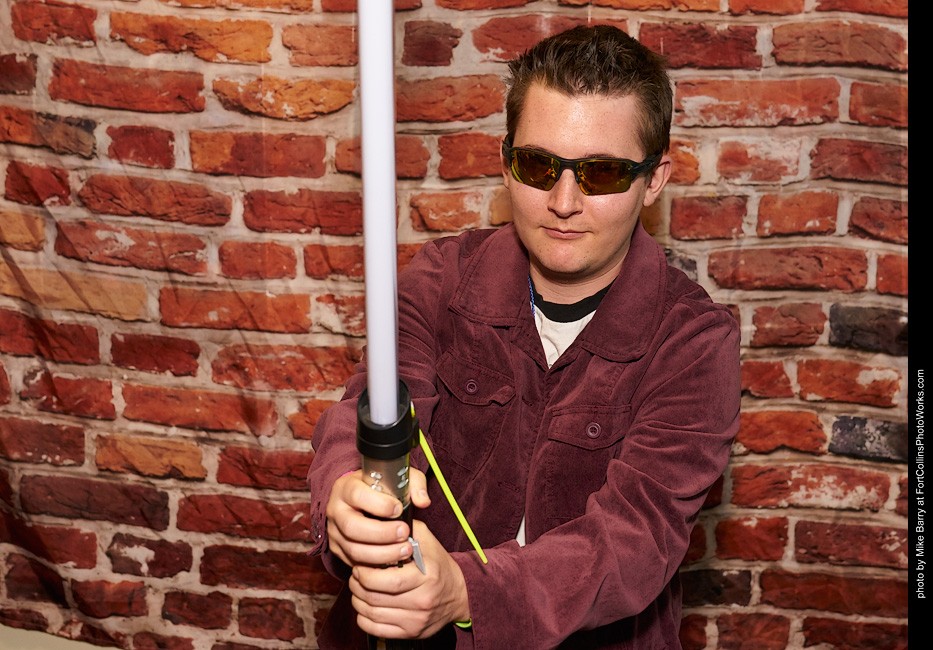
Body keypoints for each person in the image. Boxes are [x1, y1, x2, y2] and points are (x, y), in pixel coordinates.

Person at [307, 24, 741, 649]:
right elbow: (370, 411)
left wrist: (468, 593)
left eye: (602, 173)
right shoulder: (438, 281)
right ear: (506, 163)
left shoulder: (695, 343)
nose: (563, 202)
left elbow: (634, 541)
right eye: (539, 165)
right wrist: (346, 495)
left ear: (655, 179)